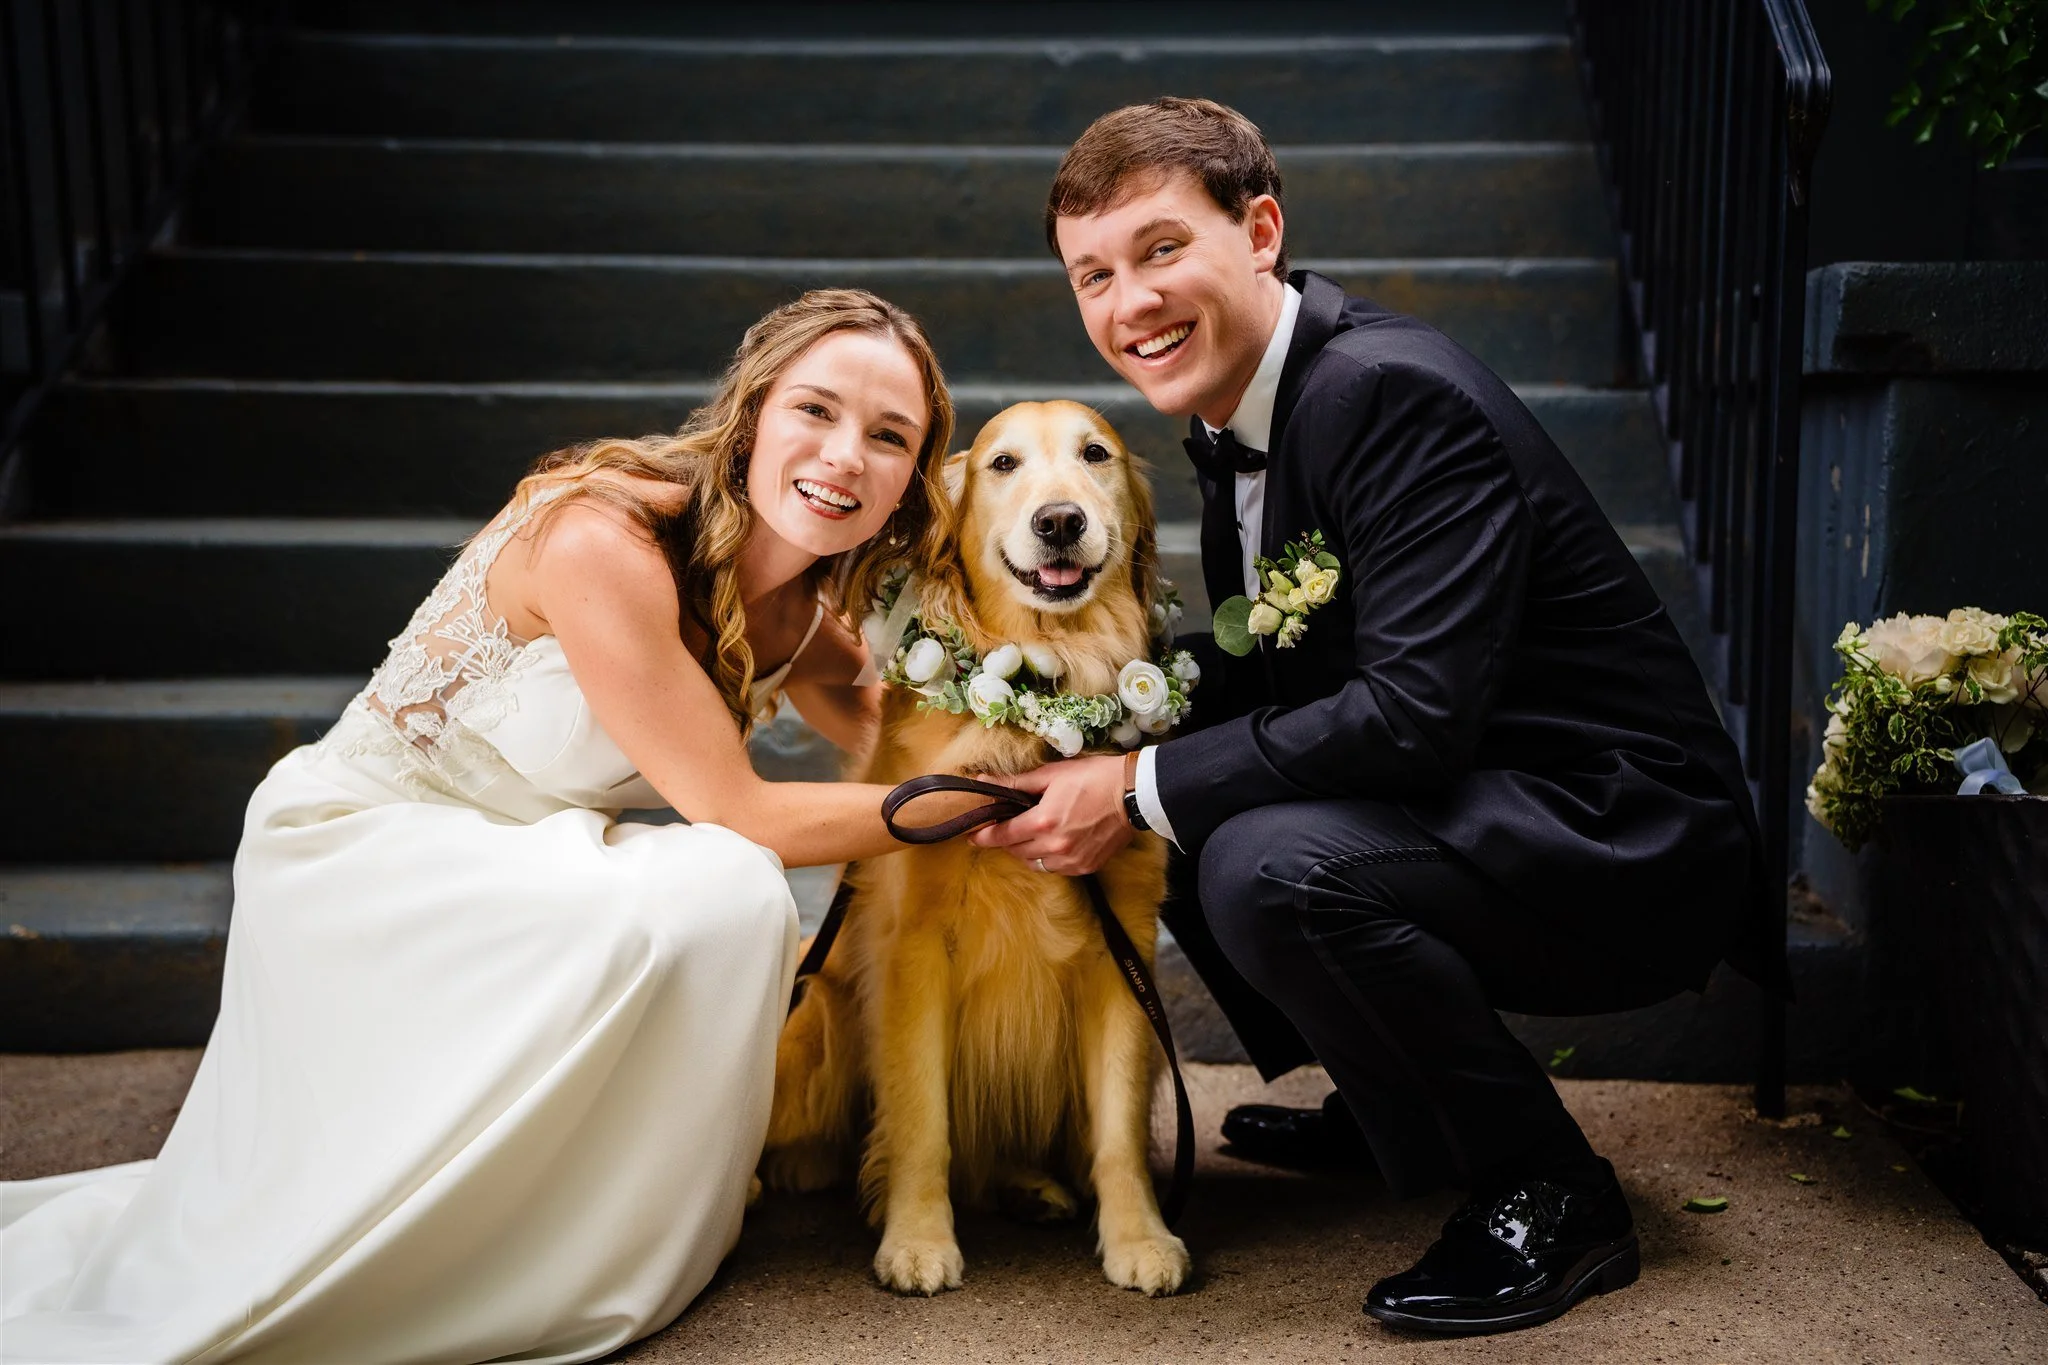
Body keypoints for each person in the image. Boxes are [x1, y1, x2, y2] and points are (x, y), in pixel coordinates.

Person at [0, 289, 956, 1365]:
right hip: (367, 848)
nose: (844, 456)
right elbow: (741, 811)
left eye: (888, 437)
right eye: (815, 411)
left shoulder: (798, 617)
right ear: (750, 415)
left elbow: (880, 725)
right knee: (730, 879)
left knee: (722, 893)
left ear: (910, 484)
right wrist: (982, 807)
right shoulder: (605, 539)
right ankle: (518, 1249)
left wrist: (1015, 731)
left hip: (520, 858)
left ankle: (605, 1213)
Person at [974, 98, 1770, 1335]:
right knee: (1186, 787)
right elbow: (1274, 674)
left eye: (1160, 250)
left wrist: (1134, 785)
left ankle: (1547, 1192)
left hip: (1621, 843)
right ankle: (1400, 1102)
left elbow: (1410, 715)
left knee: (1254, 855)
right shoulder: (1241, 409)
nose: (1128, 302)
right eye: (1093, 274)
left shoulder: (1387, 393)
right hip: (1488, 811)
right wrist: (1067, 709)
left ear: (1260, 232)